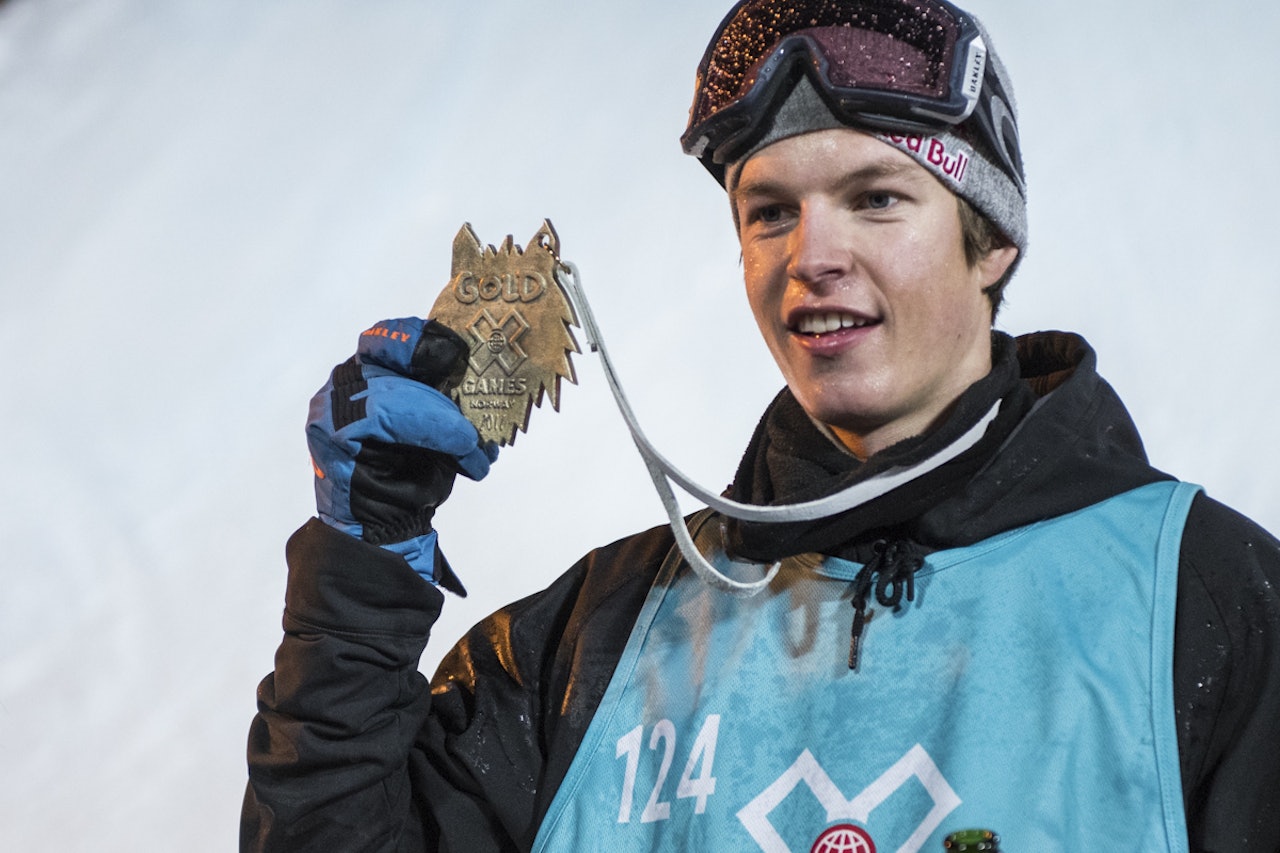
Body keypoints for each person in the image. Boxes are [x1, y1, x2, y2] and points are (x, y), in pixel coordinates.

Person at [241, 1, 1280, 850]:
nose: (809, 255)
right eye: (768, 211)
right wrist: (363, 561)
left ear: (991, 240)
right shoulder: (592, 642)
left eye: (874, 198)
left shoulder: (1207, 602)